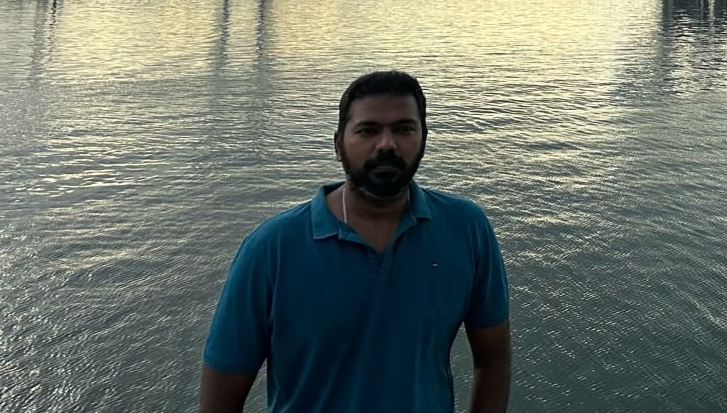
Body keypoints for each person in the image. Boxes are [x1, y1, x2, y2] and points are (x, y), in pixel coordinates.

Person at [199, 70, 511, 413]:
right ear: (338, 145)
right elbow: (222, 393)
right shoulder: (271, 249)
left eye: (404, 129)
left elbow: (493, 360)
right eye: (368, 130)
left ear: (424, 137)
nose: (387, 144)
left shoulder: (466, 228)